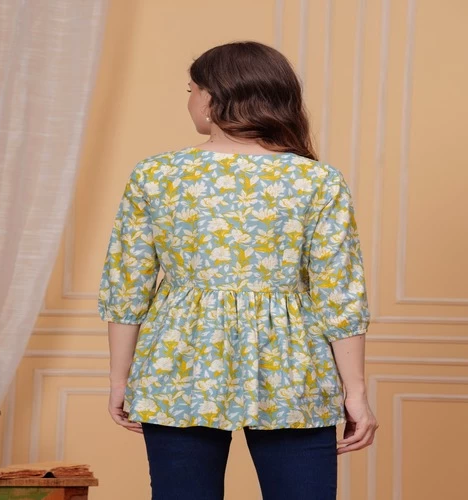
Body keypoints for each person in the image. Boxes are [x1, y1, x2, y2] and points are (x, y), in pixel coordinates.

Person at [97, 40, 379, 500]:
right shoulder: (317, 180)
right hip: (294, 369)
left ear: (211, 98)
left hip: (179, 365)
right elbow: (340, 295)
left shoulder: (156, 175)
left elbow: (127, 288)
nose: (190, 100)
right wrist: (356, 392)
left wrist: (119, 379)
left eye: (191, 90)